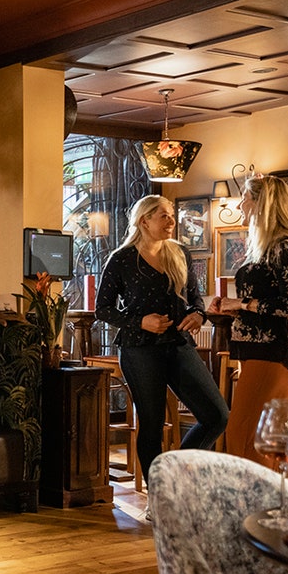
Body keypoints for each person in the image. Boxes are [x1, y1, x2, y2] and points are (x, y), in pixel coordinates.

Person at [95, 195, 228, 506]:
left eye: (172, 216)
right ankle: (160, 501)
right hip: (140, 349)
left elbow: (196, 298)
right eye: (164, 216)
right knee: (151, 424)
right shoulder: (122, 259)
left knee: (216, 415)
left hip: (179, 345)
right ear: (144, 221)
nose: (172, 222)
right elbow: (103, 309)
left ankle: (175, 473)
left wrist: (199, 315)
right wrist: (140, 321)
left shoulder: (180, 252)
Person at [208, 176, 288, 466]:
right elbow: (268, 303)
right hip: (260, 352)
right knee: (258, 440)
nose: (241, 204)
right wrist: (237, 309)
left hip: (274, 353)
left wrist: (241, 303)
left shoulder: (285, 246)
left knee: (245, 437)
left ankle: (251, 505)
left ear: (262, 203)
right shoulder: (268, 246)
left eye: (245, 198)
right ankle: (262, 506)